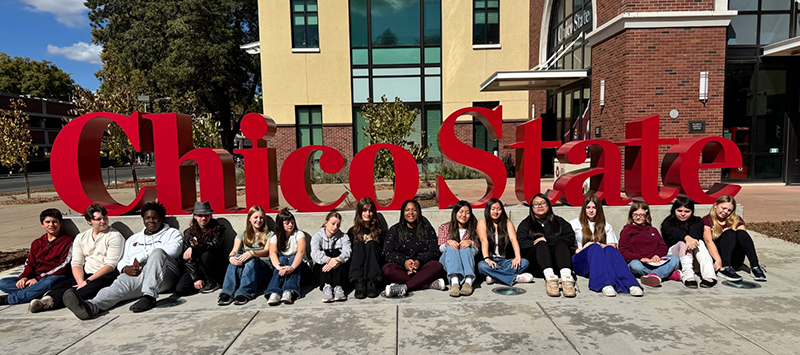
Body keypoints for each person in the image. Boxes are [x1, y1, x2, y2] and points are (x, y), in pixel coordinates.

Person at [63, 202, 182, 319]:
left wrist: (140, 257)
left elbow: (173, 250)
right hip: (139, 274)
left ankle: (149, 297)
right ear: (143, 219)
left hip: (165, 276)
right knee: (118, 286)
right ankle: (92, 306)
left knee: (158, 253)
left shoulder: (172, 233)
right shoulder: (133, 239)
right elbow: (123, 259)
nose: (151, 221)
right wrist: (125, 268)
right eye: (147, 218)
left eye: (155, 218)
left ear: (161, 219)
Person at [32, 204, 124, 313]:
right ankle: (49, 298)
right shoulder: (81, 237)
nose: (103, 221)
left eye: (105, 218)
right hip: (86, 272)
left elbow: (110, 265)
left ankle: (53, 303)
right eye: (98, 219)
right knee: (59, 285)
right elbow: (77, 262)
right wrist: (80, 281)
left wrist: (88, 281)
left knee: (90, 288)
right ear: (89, 221)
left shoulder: (114, 236)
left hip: (106, 274)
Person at [569, 196, 643, 297]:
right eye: (588, 207)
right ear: (584, 209)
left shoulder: (605, 225)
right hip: (581, 261)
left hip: (600, 261)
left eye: (594, 208)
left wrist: (598, 244)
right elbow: (567, 245)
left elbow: (612, 245)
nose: (591, 210)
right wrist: (582, 249)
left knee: (609, 249)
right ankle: (604, 284)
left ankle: (631, 284)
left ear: (598, 209)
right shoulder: (574, 224)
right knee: (594, 248)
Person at [0, 209, 73, 306]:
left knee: (49, 282)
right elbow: (29, 263)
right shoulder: (37, 243)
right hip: (35, 278)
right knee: (3, 282)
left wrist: (38, 279)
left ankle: (9, 299)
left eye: (54, 222)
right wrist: (24, 277)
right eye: (47, 222)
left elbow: (64, 265)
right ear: (42, 224)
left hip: (54, 277)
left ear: (61, 223)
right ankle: (38, 292)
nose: (51, 225)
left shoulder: (68, 241)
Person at [516, 193, 577, 297]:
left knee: (561, 244)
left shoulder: (559, 221)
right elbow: (521, 242)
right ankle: (550, 281)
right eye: (536, 204)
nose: (540, 206)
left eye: (543, 203)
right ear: (532, 208)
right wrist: (540, 243)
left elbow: (570, 238)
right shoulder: (526, 224)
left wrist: (548, 239)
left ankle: (567, 280)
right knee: (541, 244)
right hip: (538, 266)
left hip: (559, 265)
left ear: (549, 205)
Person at [383, 200, 445, 297]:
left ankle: (404, 287)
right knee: (387, 269)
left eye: (414, 210)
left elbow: (434, 251)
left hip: (422, 268)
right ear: (403, 212)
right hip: (403, 269)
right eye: (407, 210)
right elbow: (388, 253)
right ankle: (426, 283)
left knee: (437, 266)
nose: (410, 213)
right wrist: (405, 262)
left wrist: (418, 262)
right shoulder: (394, 230)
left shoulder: (427, 229)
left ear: (418, 212)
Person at [702, 195, 766, 282]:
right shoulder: (706, 220)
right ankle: (725, 268)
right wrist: (718, 260)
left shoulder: (736, 219)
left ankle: (755, 267)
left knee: (741, 233)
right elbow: (708, 241)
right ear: (715, 205)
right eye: (723, 208)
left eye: (729, 210)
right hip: (718, 260)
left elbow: (744, 240)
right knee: (729, 233)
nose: (726, 212)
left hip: (736, 260)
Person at [218, 205, 273, 306]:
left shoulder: (270, 235)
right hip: (247, 269)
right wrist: (231, 258)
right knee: (237, 256)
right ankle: (227, 292)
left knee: (252, 260)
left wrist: (252, 253)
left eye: (261, 218)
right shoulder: (241, 236)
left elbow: (267, 251)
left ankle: (245, 293)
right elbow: (234, 251)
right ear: (250, 219)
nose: (259, 220)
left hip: (264, 268)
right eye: (255, 217)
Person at [619, 202, 680, 287]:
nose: (638, 217)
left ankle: (655, 275)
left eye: (641, 215)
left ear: (647, 216)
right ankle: (666, 274)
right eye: (635, 214)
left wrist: (657, 255)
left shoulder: (653, 230)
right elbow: (623, 250)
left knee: (674, 259)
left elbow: (663, 246)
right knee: (635, 266)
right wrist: (640, 258)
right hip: (639, 262)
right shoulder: (627, 230)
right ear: (631, 216)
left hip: (655, 261)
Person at [660, 197, 717, 288]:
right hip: (675, 259)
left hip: (694, 260)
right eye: (679, 211)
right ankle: (688, 275)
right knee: (682, 243)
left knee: (700, 242)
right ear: (674, 210)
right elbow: (674, 232)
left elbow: (695, 234)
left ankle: (709, 275)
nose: (683, 214)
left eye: (687, 211)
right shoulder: (668, 222)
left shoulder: (697, 221)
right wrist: (686, 238)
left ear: (692, 211)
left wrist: (690, 240)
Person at [476, 198, 532, 287]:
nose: (496, 212)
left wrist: (517, 257)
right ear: (488, 210)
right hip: (489, 261)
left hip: (504, 261)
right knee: (481, 266)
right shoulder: (482, 222)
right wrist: (487, 258)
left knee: (524, 262)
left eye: (499, 209)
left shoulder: (507, 223)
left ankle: (494, 277)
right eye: (493, 209)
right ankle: (514, 278)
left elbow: (514, 240)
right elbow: (484, 240)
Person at [175, 201, 227, 296]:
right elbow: (188, 259)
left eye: (206, 215)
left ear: (211, 215)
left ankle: (213, 282)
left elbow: (213, 245)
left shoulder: (218, 229)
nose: (204, 218)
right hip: (198, 266)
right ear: (194, 216)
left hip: (213, 265)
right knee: (181, 289)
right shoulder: (189, 233)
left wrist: (194, 249)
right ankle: (202, 283)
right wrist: (196, 278)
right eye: (200, 215)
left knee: (206, 255)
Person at [437, 200, 479, 297]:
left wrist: (471, 243)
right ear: (455, 213)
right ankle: (454, 282)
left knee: (466, 247)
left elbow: (476, 251)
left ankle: (468, 282)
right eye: (461, 212)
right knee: (452, 246)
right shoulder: (444, 227)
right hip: (448, 262)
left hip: (466, 263)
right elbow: (440, 249)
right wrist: (448, 243)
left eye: (467, 212)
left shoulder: (473, 229)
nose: (464, 215)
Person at [265, 209, 306, 305]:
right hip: (284, 270)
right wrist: (279, 267)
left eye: (292, 222)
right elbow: (272, 253)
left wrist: (292, 267)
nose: (291, 225)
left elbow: (301, 252)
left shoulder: (299, 234)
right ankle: (274, 292)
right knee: (282, 259)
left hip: (300, 269)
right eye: (287, 223)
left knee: (292, 258)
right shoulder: (275, 238)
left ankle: (289, 291)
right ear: (280, 224)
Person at [347, 197, 386, 299]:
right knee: (359, 245)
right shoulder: (352, 231)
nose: (367, 214)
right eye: (364, 210)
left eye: (370, 211)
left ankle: (372, 282)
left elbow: (384, 251)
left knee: (371, 244)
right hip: (358, 269)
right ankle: (359, 283)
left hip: (375, 268)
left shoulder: (380, 230)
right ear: (359, 212)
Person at [310, 210, 352, 303]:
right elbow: (314, 253)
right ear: (326, 223)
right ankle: (327, 286)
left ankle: (338, 287)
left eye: (338, 225)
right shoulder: (317, 237)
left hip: (339, 270)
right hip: (321, 271)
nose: (335, 227)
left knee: (336, 252)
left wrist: (337, 260)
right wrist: (328, 260)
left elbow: (347, 252)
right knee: (327, 253)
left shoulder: (344, 237)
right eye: (333, 223)